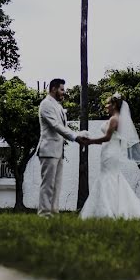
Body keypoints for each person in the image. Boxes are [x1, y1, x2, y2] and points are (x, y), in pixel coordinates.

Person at [79, 93, 140, 221]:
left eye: (108, 104)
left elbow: (107, 138)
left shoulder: (114, 119)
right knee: (112, 176)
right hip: (111, 150)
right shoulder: (117, 118)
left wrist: (89, 141)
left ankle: (108, 210)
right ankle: (115, 208)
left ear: (114, 105)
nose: (106, 106)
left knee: (108, 177)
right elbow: (108, 139)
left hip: (110, 152)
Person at [37, 78, 88, 216]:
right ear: (53, 89)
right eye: (62, 89)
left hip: (58, 151)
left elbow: (64, 127)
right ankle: (44, 214)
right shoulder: (46, 104)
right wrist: (75, 137)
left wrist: (78, 134)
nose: (64, 92)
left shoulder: (58, 106)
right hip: (48, 150)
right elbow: (56, 126)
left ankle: (53, 213)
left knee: (56, 185)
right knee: (48, 185)